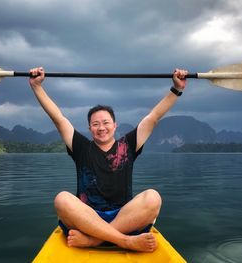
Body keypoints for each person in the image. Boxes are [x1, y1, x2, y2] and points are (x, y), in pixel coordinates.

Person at [29, 67, 188, 253]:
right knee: (62, 199)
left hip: (124, 218)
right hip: (87, 218)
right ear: (89, 128)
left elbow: (153, 117)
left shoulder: (128, 145)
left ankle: (94, 241)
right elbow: (58, 118)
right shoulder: (81, 147)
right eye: (95, 124)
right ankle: (124, 241)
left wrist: (177, 89)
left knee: (153, 197)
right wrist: (37, 87)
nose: (101, 128)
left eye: (106, 123)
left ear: (115, 125)